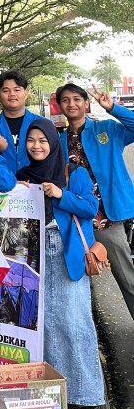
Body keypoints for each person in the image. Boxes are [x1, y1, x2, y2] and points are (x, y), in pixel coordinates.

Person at [16, 118, 104, 407]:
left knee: (74, 322)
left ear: (54, 142)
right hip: (33, 253)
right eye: (31, 140)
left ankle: (84, 395)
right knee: (43, 324)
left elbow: (90, 207)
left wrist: (59, 194)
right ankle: (53, 395)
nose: (37, 146)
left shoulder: (73, 173)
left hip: (65, 252)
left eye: (43, 140)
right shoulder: (23, 174)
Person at [57, 83, 134, 319]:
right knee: (73, 280)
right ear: (60, 106)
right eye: (66, 100)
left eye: (77, 99)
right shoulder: (57, 140)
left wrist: (113, 108)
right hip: (74, 219)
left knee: (127, 279)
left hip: (107, 217)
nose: (72, 104)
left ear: (86, 103)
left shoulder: (107, 129)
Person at [0, 70, 43, 173]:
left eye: (17, 90)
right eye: (6, 91)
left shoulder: (43, 125)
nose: (12, 94)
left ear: (25, 93)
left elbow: (55, 158)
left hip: (36, 185)